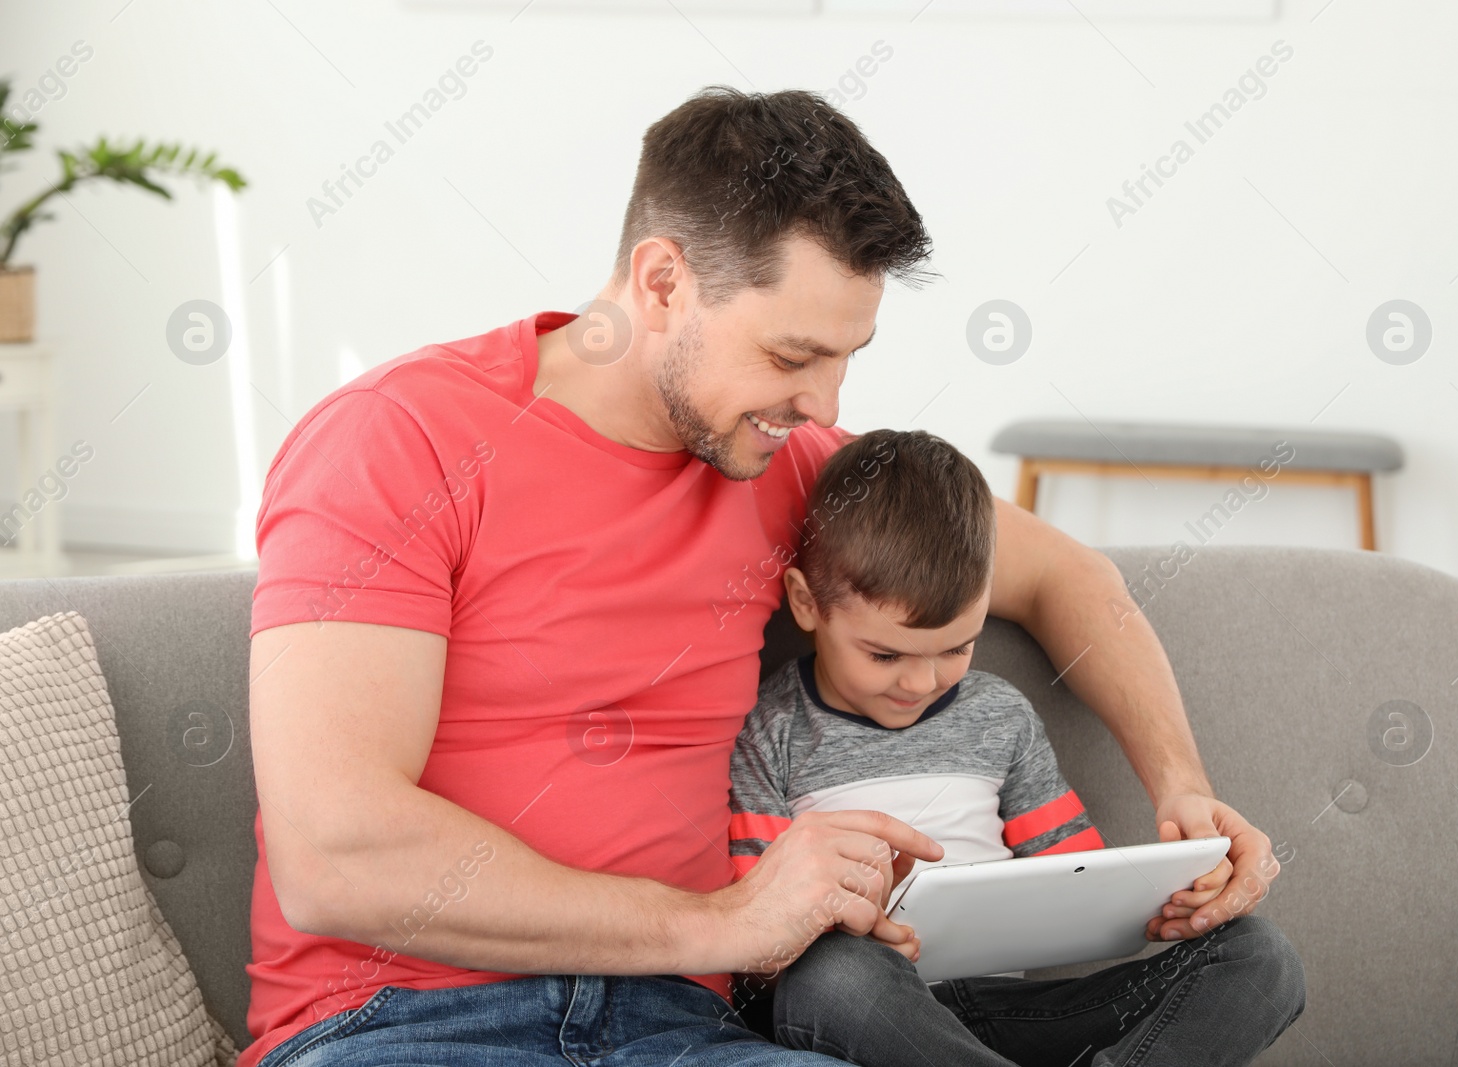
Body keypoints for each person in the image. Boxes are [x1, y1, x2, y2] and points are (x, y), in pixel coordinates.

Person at [244, 85, 1288, 1067]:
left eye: (847, 356)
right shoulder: (400, 441)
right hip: (400, 1024)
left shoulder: (786, 468)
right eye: (792, 356)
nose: (826, 403)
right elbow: (336, 853)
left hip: (678, 1028)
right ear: (662, 282)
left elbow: (1071, 577)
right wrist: (720, 919)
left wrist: (1180, 785)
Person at [728, 428, 1304, 1066]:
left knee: (1260, 957)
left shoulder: (1000, 716)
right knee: (833, 976)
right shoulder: (771, 731)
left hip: (1003, 1014)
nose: (921, 682)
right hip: (869, 1014)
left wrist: (1171, 892)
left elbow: (1074, 878)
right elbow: (756, 955)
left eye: (956, 648)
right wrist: (838, 929)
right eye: (885, 654)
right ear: (807, 604)